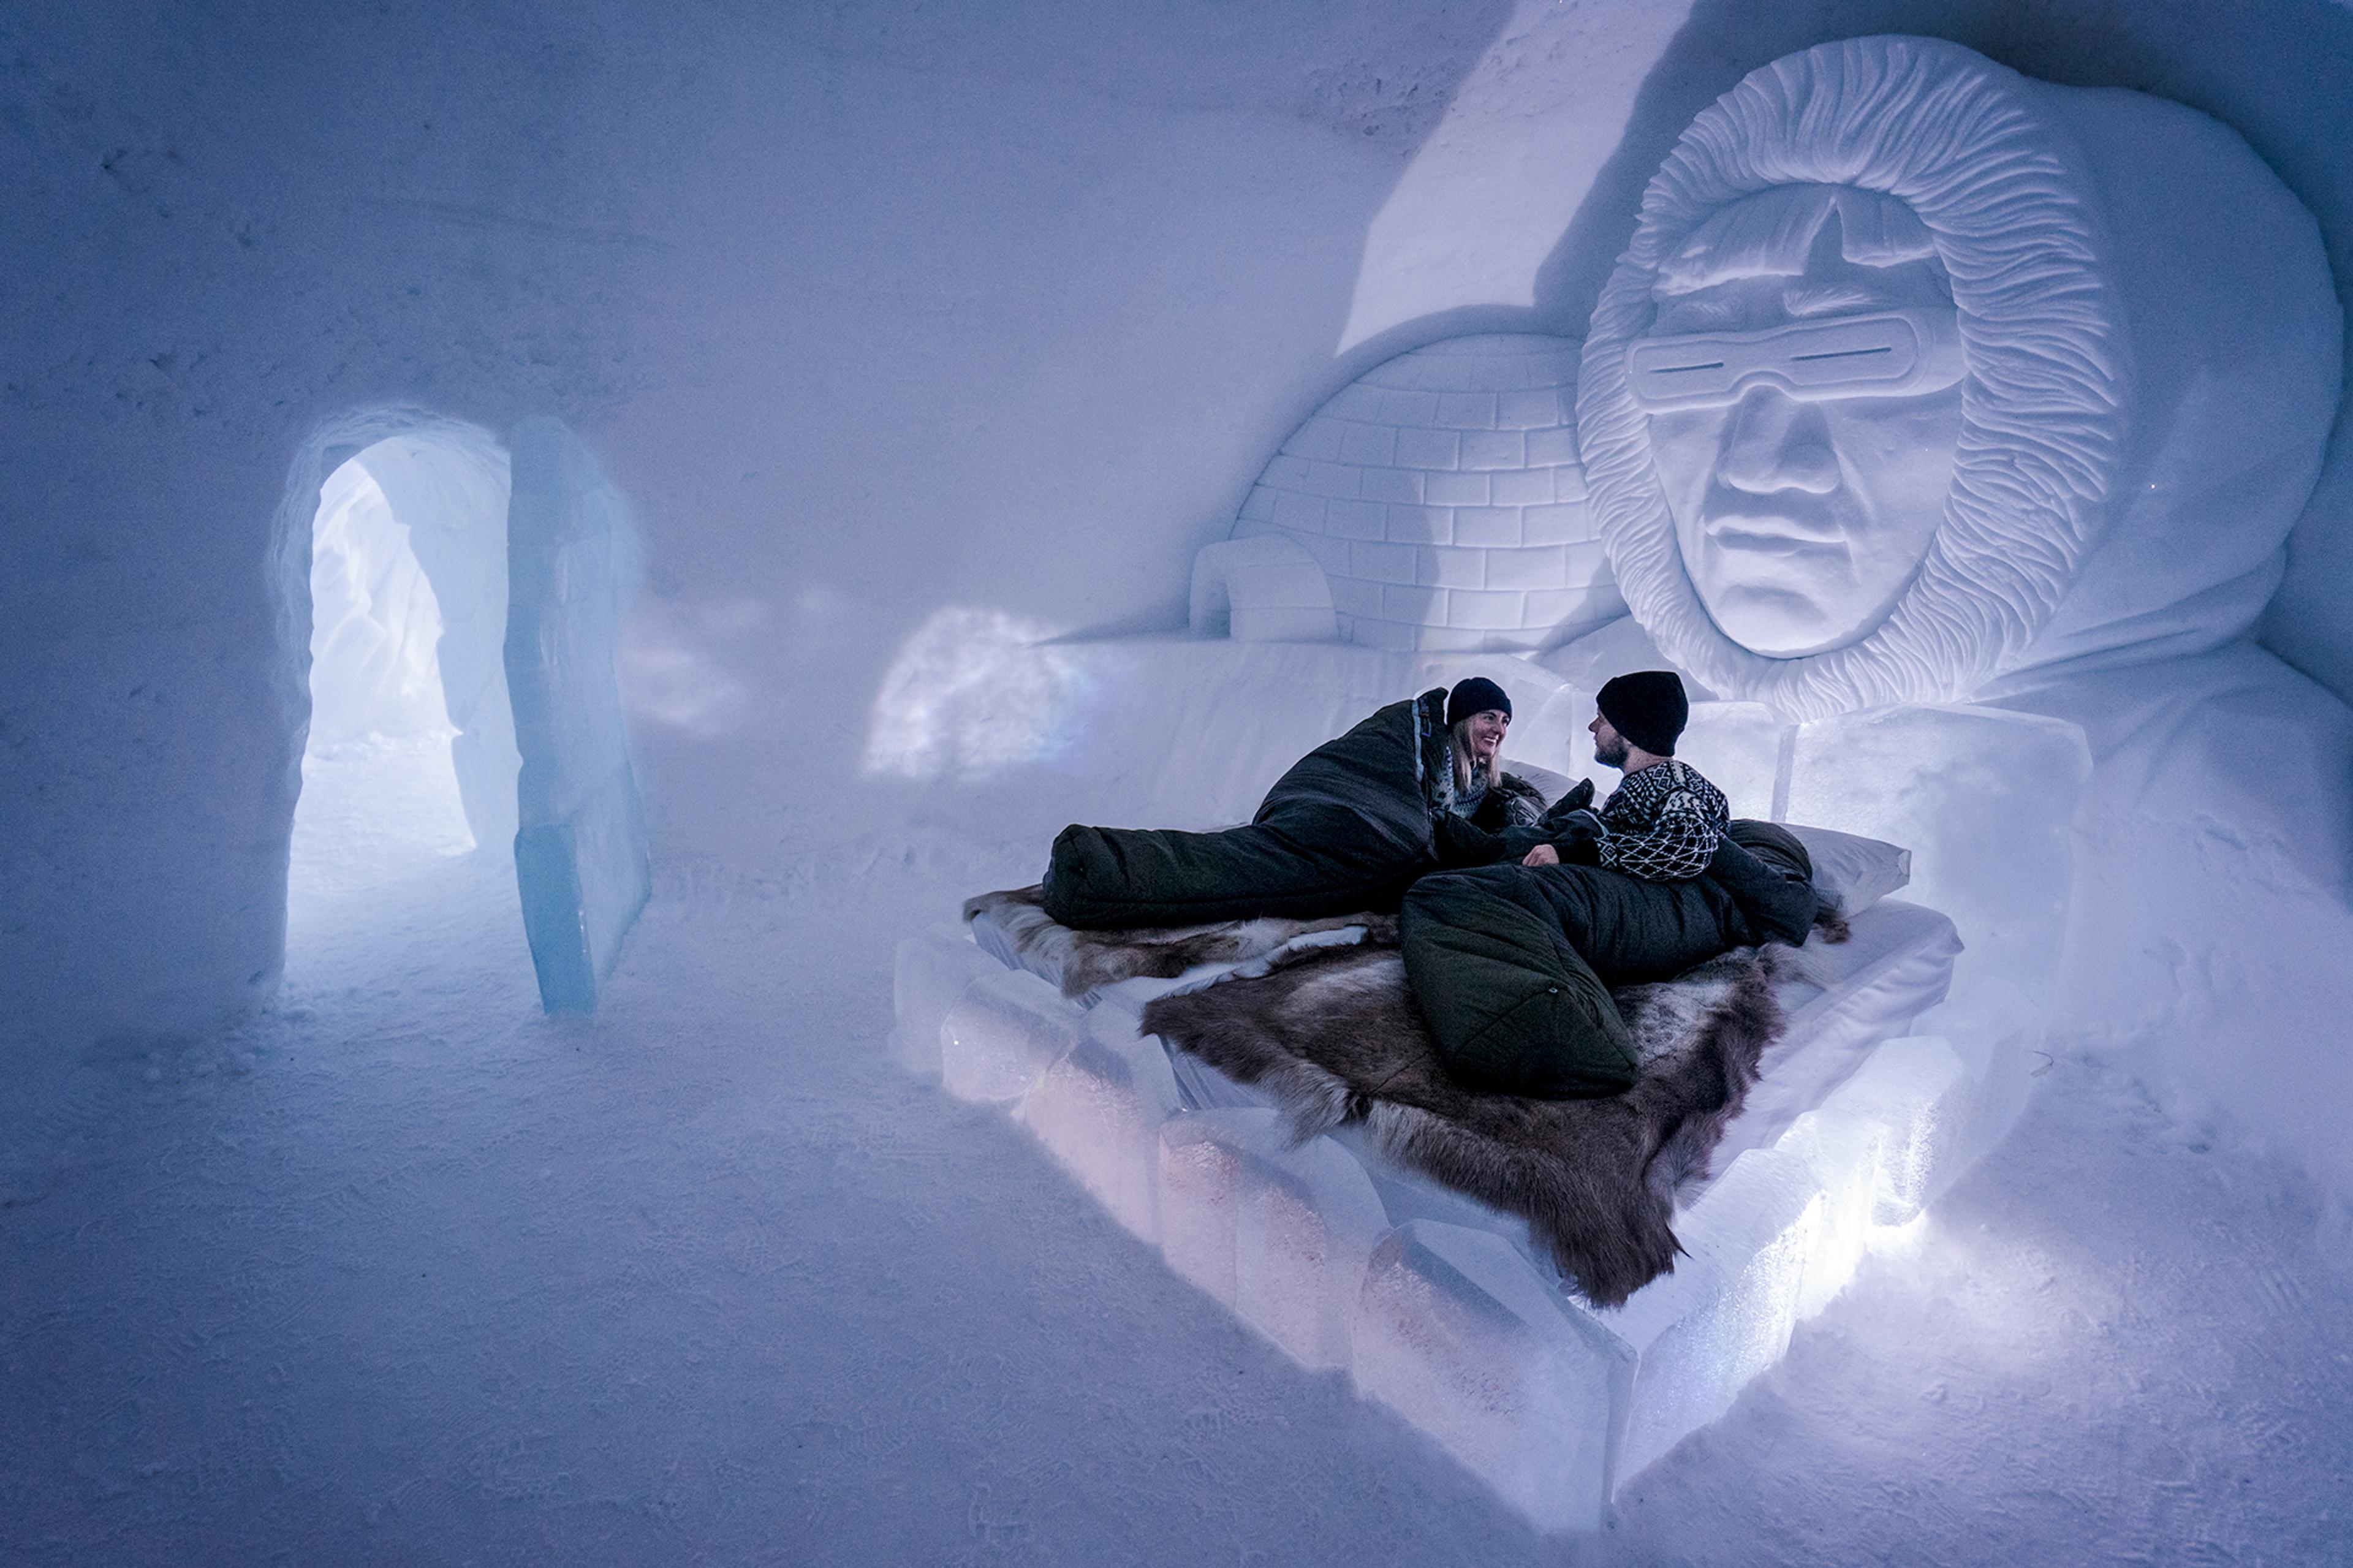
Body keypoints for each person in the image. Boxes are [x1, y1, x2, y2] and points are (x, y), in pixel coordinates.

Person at [1399, 670, 1812, 1099]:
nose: (1593, 727)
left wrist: (1585, 850)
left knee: (1448, 894)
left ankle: (1573, 1044)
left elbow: (1688, 845)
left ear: (1629, 729)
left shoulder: (1676, 782)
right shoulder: (1640, 788)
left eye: (1602, 718)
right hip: (1634, 908)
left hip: (1663, 917)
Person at [1040, 676, 1542, 930]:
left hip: (1334, 805)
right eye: (1489, 717)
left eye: (1505, 723)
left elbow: (1489, 803)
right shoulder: (1425, 743)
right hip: (1349, 816)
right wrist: (1505, 843)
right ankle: (1099, 869)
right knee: (1248, 873)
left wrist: (1521, 810)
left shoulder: (1476, 778)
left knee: (1246, 861)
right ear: (1460, 719)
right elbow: (1434, 824)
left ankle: (1103, 863)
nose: (1498, 730)